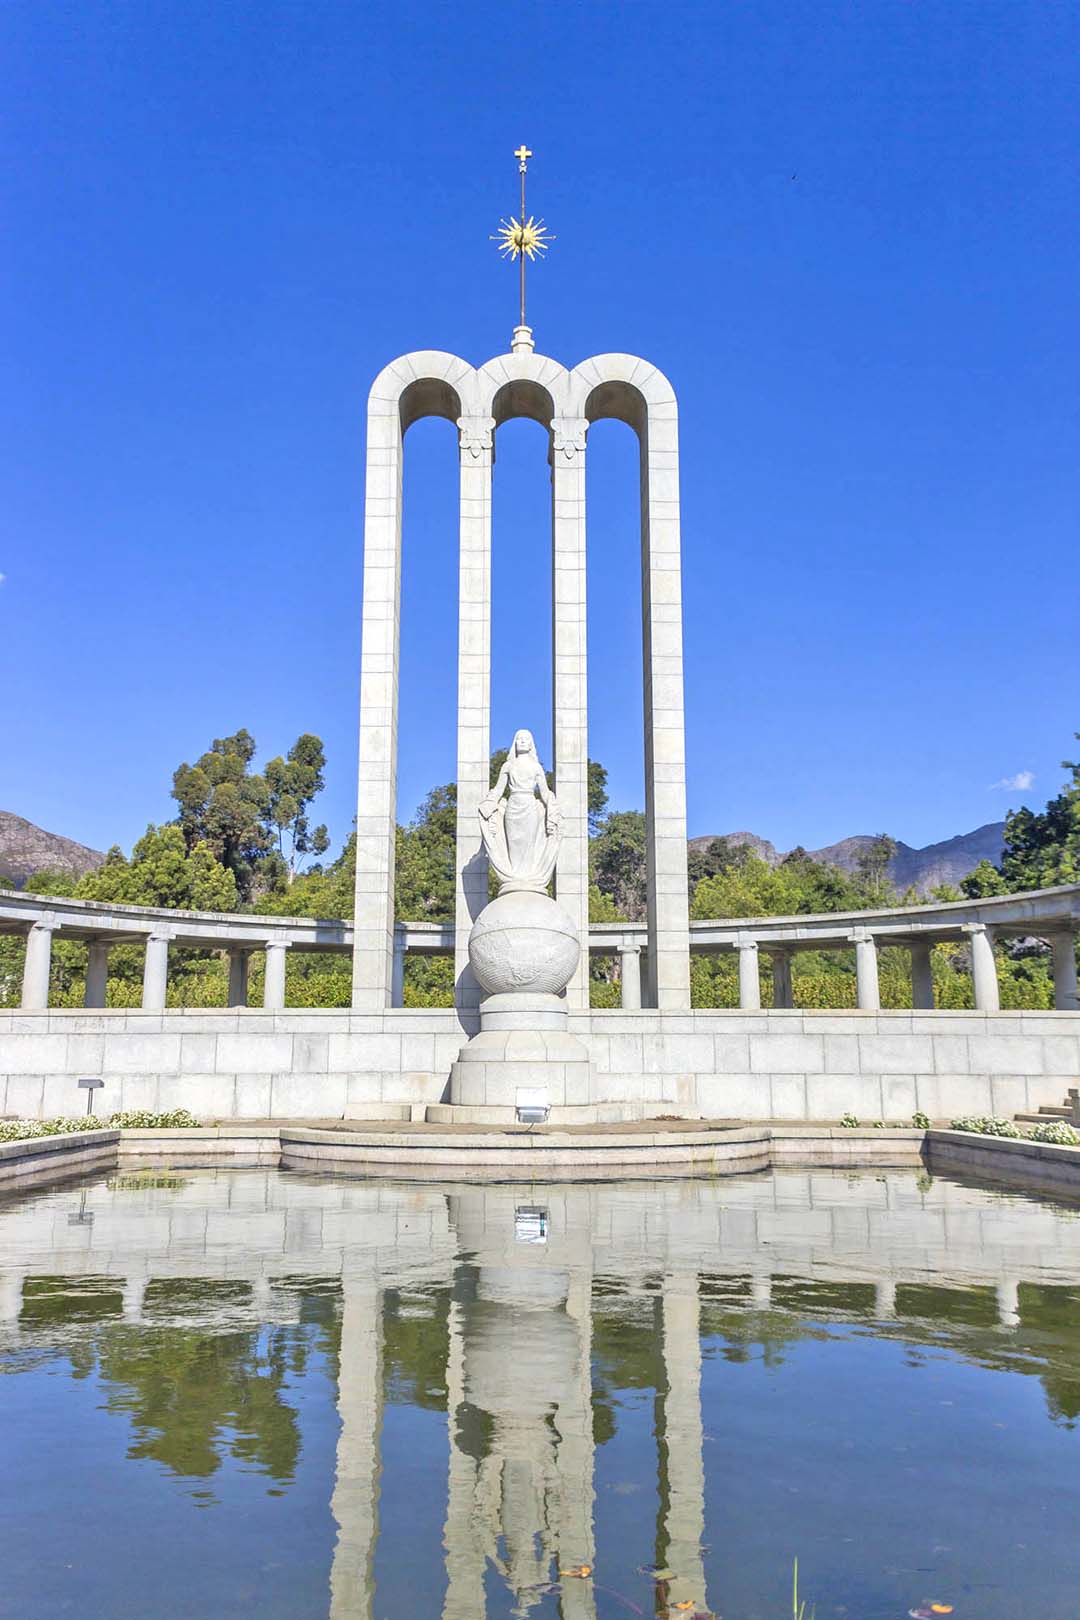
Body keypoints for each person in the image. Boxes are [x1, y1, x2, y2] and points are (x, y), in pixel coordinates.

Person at [478, 729, 561, 892]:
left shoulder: (536, 767)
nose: (522, 741)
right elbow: (498, 790)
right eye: (519, 739)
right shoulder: (508, 766)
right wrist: (488, 804)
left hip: (529, 806)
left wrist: (553, 807)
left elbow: (544, 792)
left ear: (531, 744)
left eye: (526, 739)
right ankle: (515, 879)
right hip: (513, 807)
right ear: (514, 743)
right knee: (513, 844)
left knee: (529, 845)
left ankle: (527, 880)